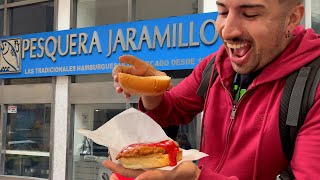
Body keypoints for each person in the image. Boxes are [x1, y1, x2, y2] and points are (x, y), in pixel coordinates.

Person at [103, 0, 320, 179]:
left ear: (292, 18)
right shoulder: (215, 66)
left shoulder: (314, 84)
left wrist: (196, 177)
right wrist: (153, 92)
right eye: (223, 11)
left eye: (250, 14)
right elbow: (173, 108)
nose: (228, 30)